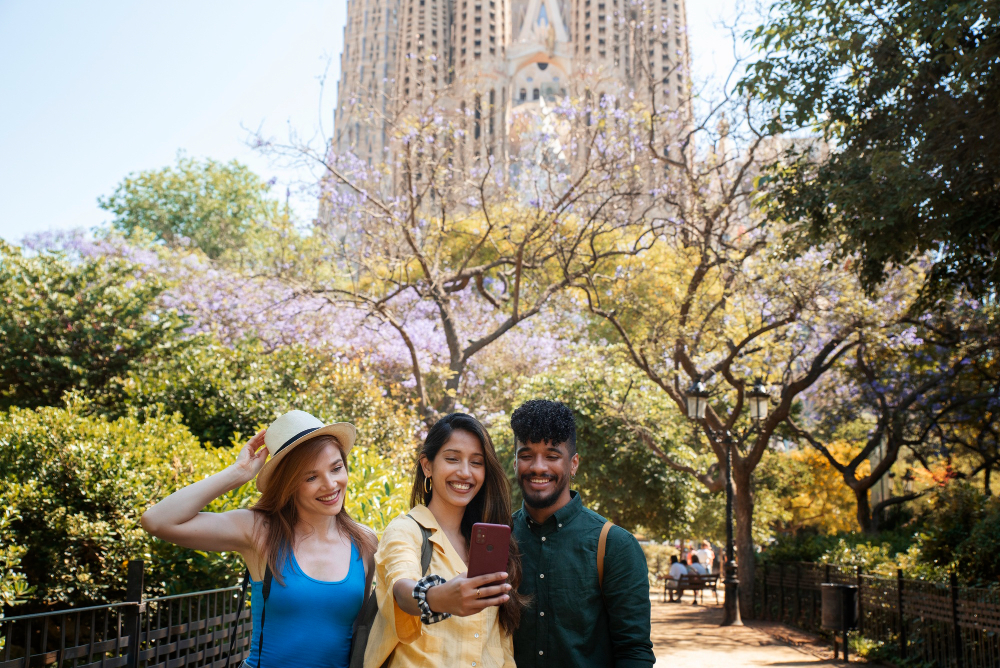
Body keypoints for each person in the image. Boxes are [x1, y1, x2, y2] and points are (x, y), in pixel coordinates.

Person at [141, 410, 375, 668]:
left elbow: (360, 630)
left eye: (336, 468)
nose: (330, 484)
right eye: (311, 477)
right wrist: (239, 473)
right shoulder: (259, 530)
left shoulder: (364, 542)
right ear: (288, 484)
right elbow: (157, 521)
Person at [364, 413, 526, 668]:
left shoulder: (488, 544)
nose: (465, 472)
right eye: (452, 459)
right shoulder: (406, 530)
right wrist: (436, 598)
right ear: (427, 465)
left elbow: (499, 646)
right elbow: (403, 591)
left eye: (476, 462)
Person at [509, 399, 654, 668]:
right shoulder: (498, 538)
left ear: (573, 464)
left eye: (552, 456)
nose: (538, 467)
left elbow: (634, 651)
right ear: (515, 462)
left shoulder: (614, 545)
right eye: (527, 455)